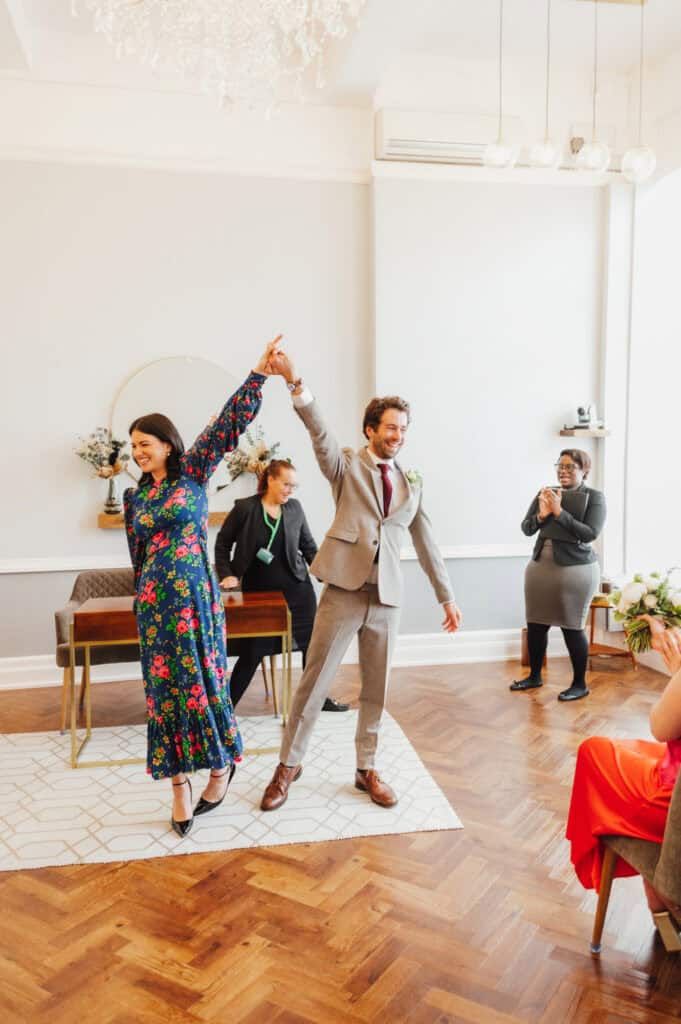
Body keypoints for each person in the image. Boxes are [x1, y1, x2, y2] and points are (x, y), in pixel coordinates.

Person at [259, 348, 462, 812]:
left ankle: (365, 768)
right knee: (314, 682)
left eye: (404, 429)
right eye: (391, 427)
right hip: (344, 591)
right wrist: (295, 381)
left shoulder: (411, 481)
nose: (398, 436)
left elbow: (426, 541)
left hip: (388, 599)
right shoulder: (347, 465)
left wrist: (446, 597)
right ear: (371, 429)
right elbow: (320, 433)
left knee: (377, 689)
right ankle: (288, 766)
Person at [123, 337, 281, 837]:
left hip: (196, 601)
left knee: (205, 687)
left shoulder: (193, 473)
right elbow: (138, 558)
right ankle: (178, 787)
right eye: (132, 447)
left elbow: (227, 423)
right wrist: (141, 600)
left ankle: (218, 769)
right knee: (164, 695)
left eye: (144, 444)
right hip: (154, 606)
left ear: (168, 444)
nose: (138, 452)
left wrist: (258, 374)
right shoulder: (134, 498)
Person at [566, 615, 681, 951]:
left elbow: (661, 727)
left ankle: (664, 898)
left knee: (594, 753)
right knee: (623, 752)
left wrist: (677, 675)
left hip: (672, 803)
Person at [214, 459, 348, 712]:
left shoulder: (295, 508)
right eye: (286, 484)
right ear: (270, 480)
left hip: (298, 591)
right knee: (253, 651)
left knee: (313, 646)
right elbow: (222, 544)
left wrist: (324, 574)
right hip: (260, 595)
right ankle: (225, 709)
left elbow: (308, 546)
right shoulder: (245, 508)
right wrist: (228, 574)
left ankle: (317, 700)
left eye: (293, 486)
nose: (290, 490)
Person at [511, 449, 606, 701]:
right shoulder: (545, 492)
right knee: (535, 624)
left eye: (570, 466)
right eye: (560, 466)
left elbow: (589, 534)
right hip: (541, 566)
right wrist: (542, 514)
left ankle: (579, 684)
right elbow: (526, 528)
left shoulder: (595, 497)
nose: (563, 471)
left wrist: (559, 512)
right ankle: (534, 676)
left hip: (576, 570)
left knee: (571, 627)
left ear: (584, 470)